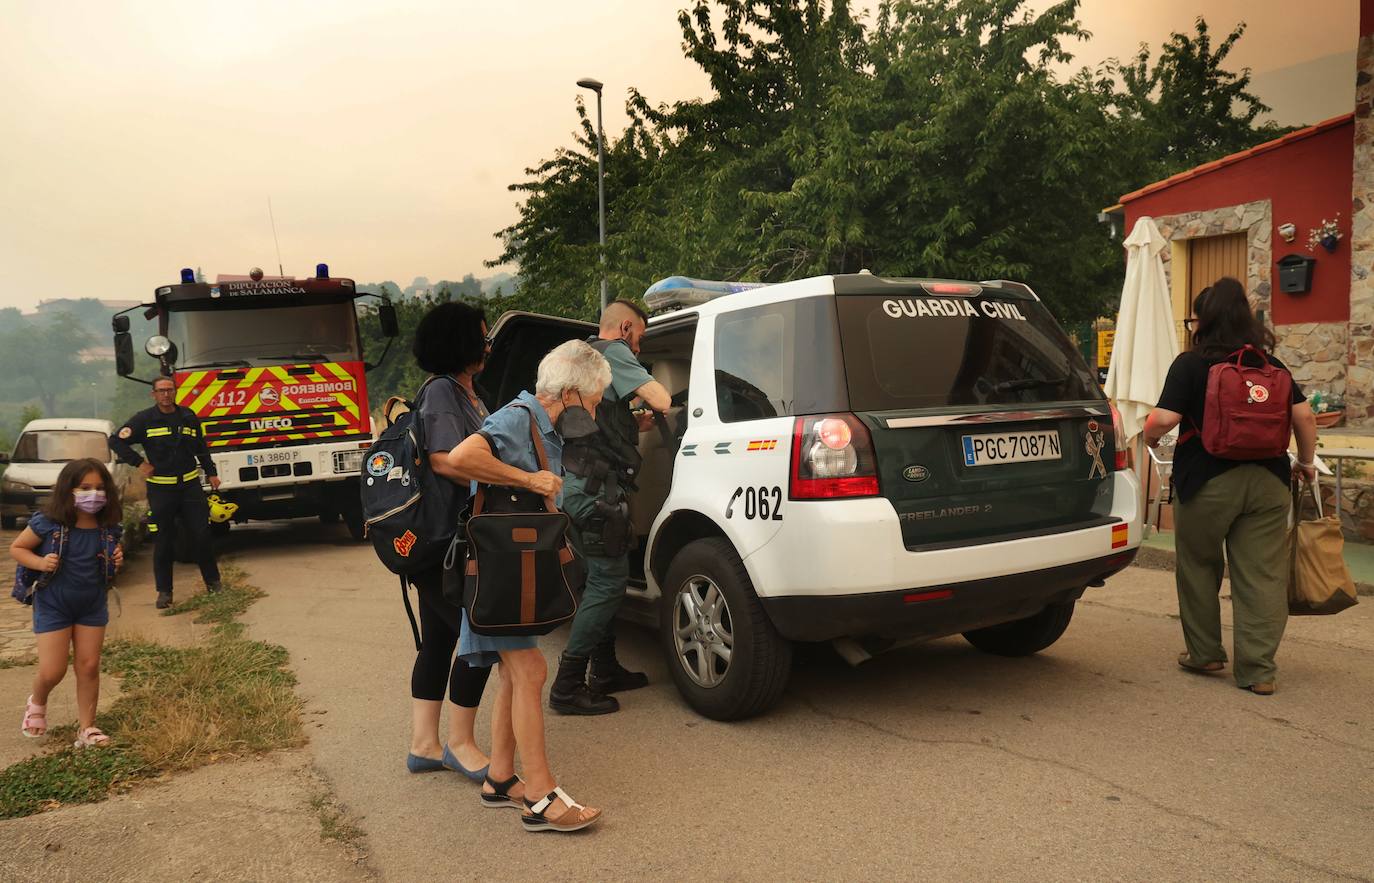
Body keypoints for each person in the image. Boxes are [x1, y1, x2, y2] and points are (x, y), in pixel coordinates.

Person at [447, 339, 610, 833]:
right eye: (596, 400)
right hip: (498, 571)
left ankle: (499, 778)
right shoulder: (518, 417)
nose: (597, 411)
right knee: (532, 669)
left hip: (512, 571)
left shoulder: (538, 423)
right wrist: (531, 480)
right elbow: (460, 457)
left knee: (516, 675)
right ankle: (540, 795)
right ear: (568, 393)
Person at [1143, 277, 1318, 696]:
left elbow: (1163, 420)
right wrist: (1307, 463)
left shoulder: (1191, 363)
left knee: (1200, 567)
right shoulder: (1272, 366)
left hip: (1206, 481)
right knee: (1260, 575)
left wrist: (1149, 437)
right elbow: (1305, 418)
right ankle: (1258, 671)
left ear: (1203, 320)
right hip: (1268, 482)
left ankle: (1205, 654)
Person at [549, 300, 671, 715]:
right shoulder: (614, 352)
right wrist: (656, 393)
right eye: (640, 335)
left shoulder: (581, 355)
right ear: (624, 327)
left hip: (578, 485)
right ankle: (567, 687)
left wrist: (632, 425)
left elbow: (590, 426)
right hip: (595, 491)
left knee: (596, 581)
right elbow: (662, 398)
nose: (640, 346)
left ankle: (604, 669)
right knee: (607, 582)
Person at [402, 301, 495, 780]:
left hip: (445, 541)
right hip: (444, 543)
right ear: (459, 342)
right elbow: (445, 460)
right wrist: (516, 476)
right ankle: (459, 744)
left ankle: (423, 745)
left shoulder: (466, 392)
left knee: (439, 639)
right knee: (479, 638)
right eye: (482, 336)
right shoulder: (442, 392)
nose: (487, 345)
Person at [14, 458, 124, 747]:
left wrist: (116, 558)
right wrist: (40, 561)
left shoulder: (108, 526)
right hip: (53, 604)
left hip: (92, 603)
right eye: (85, 487)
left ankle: (87, 728)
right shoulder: (48, 523)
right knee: (53, 670)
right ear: (68, 488)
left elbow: (111, 555)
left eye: (100, 488)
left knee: (88, 666)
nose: (94, 494)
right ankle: (37, 701)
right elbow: (18, 548)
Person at [109, 376, 221, 609]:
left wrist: (211, 473)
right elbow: (116, 441)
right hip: (161, 489)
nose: (166, 394)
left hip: (190, 486)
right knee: (164, 540)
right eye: (161, 391)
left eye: (170, 390)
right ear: (154, 394)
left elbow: (201, 447)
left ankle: (213, 584)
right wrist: (139, 463)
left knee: (201, 536)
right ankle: (164, 592)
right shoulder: (144, 420)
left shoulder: (188, 416)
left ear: (176, 392)